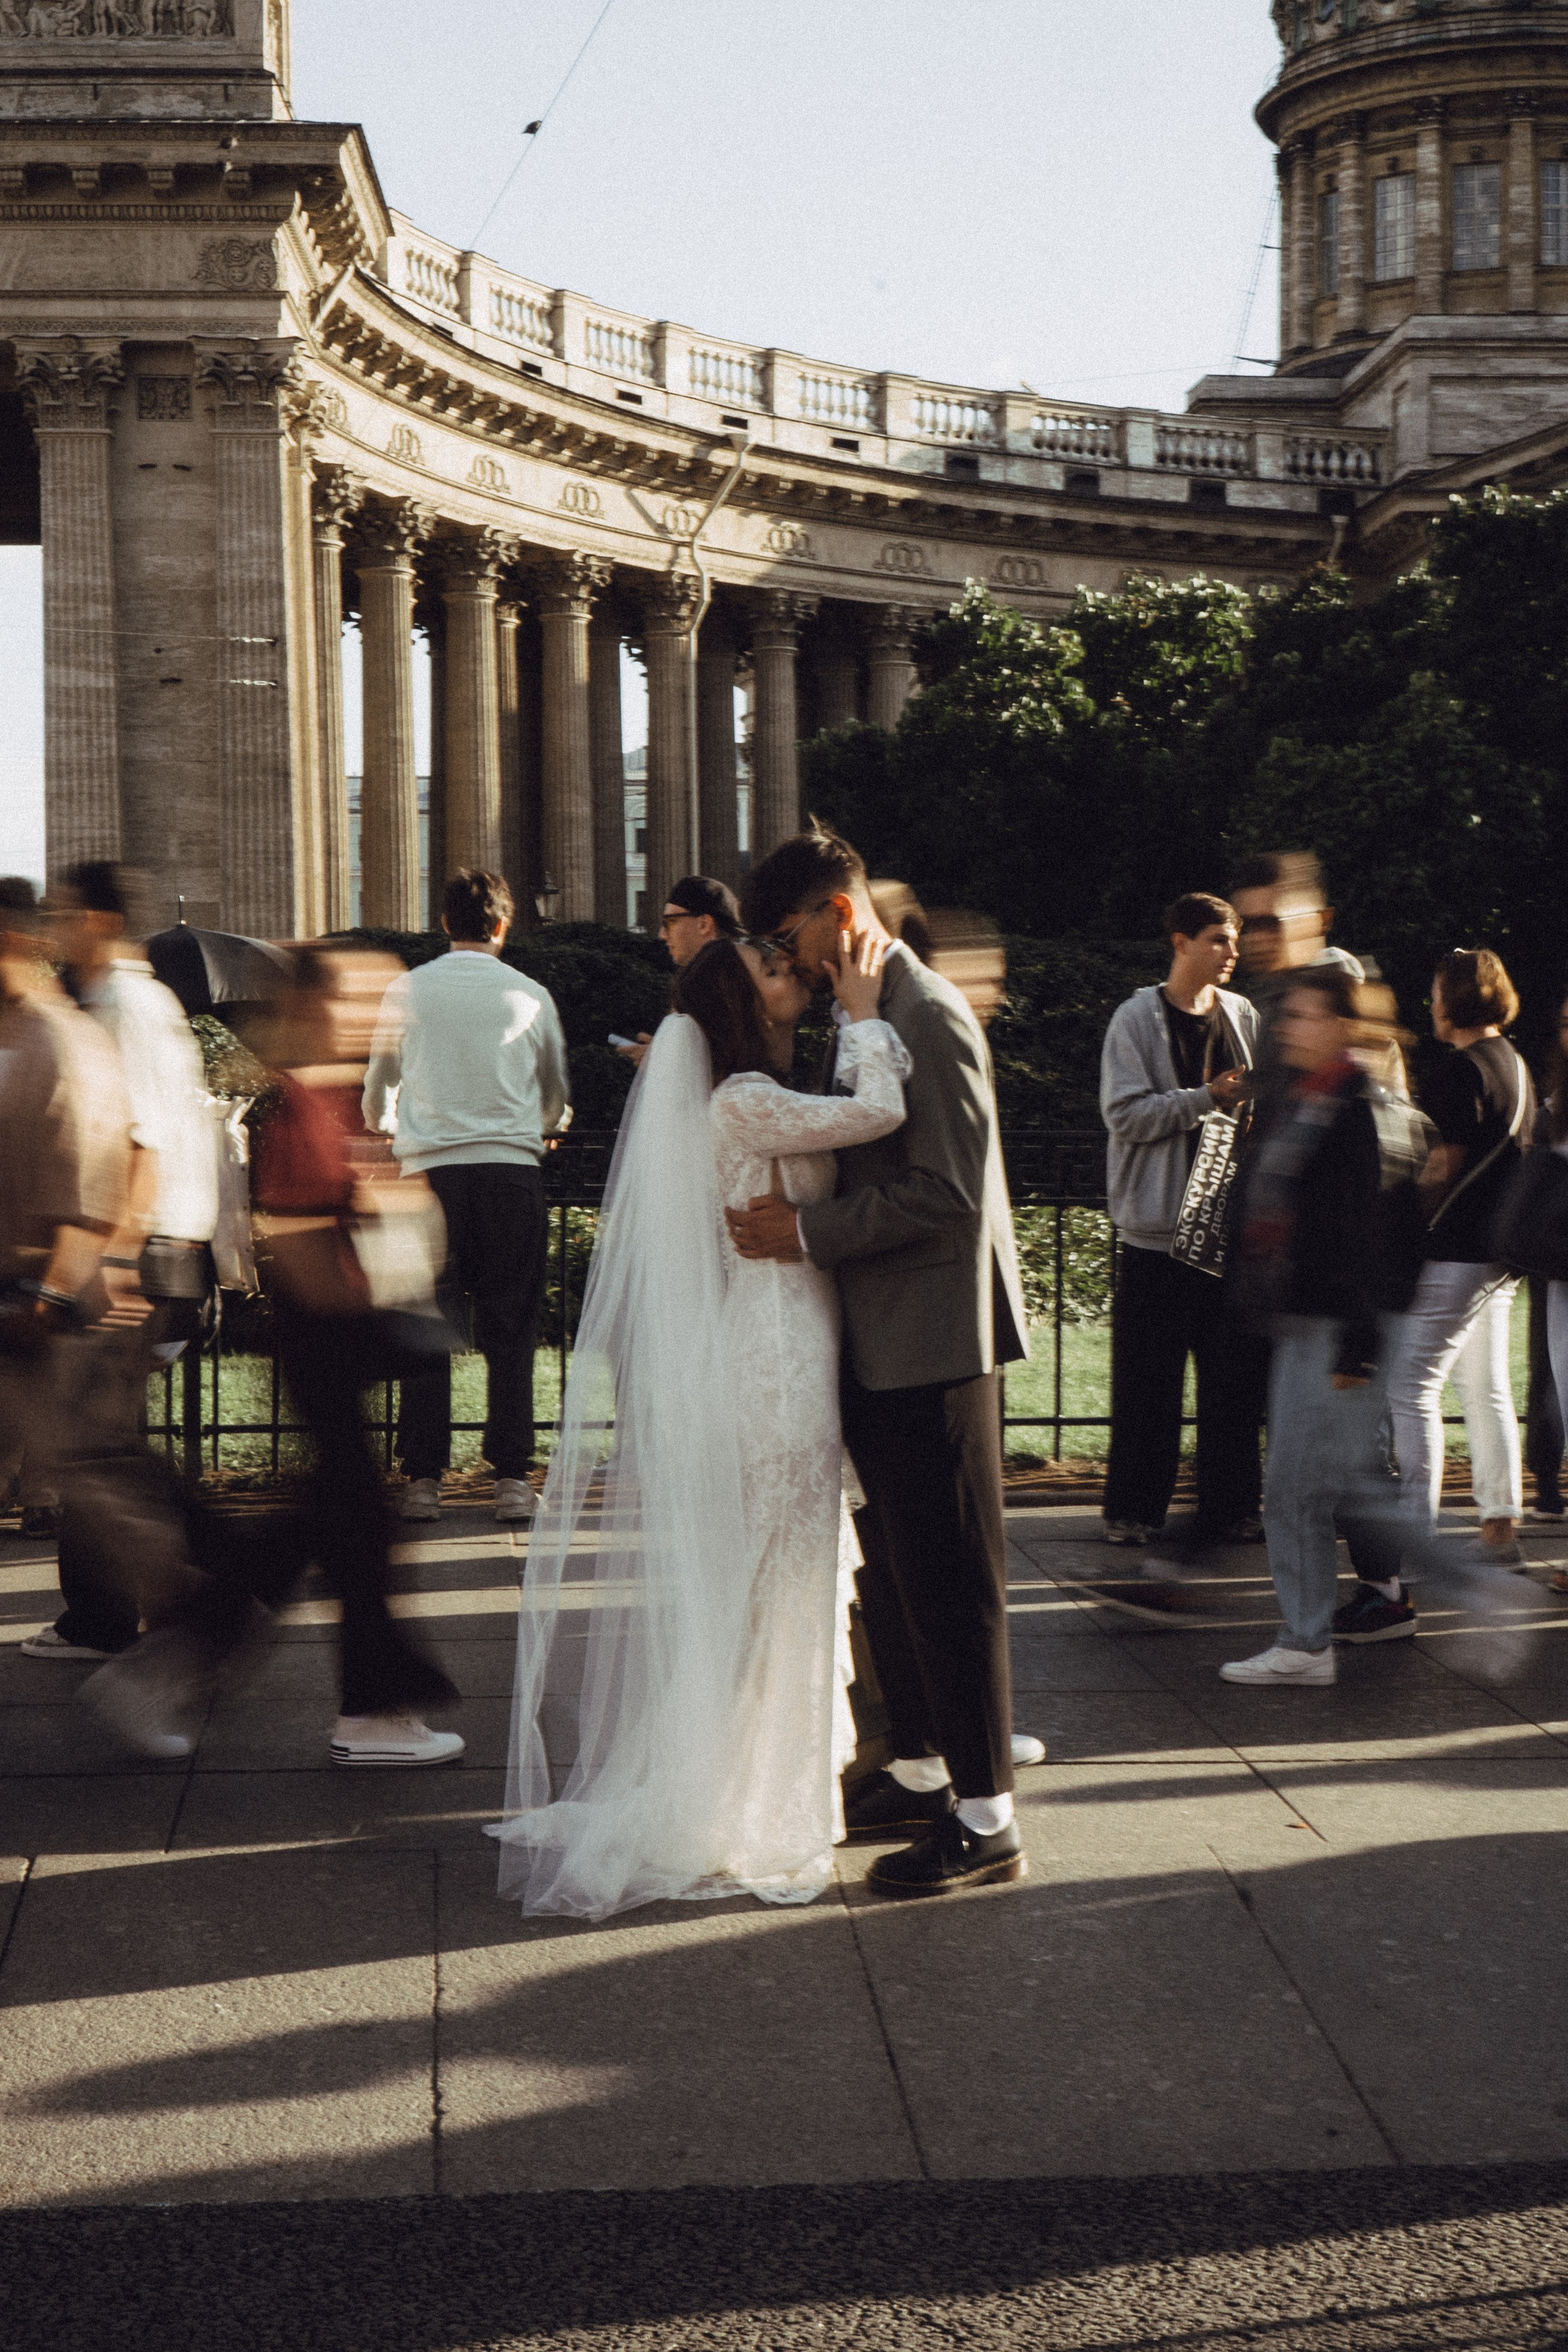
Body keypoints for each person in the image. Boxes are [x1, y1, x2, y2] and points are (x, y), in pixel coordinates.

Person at [492, 923, 910, 1917]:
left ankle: (744, 1787)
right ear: (736, 1001)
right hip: (773, 1359)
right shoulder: (742, 1101)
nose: (791, 976)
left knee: (778, 1583)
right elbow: (880, 1112)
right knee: (781, 1581)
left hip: (786, 1343)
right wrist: (865, 1019)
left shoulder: (746, 1096)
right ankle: (749, 1801)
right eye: (772, 970)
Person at [728, 827, 1030, 1898]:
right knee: (904, 1581)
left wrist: (804, 1237)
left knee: (954, 1585)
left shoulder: (927, 1013)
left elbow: (944, 1195)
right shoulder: (869, 1014)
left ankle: (988, 1819)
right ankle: (924, 1768)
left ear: (837, 916)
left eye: (784, 934)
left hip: (936, 1341)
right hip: (886, 1338)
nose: (784, 957)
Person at [254, 948, 465, 1766]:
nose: (385, 1009)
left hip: (339, 1342)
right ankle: (371, 1713)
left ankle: (195, 1638)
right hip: (326, 1342)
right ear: (314, 1005)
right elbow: (305, 1255)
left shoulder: (335, 1093)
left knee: (337, 1528)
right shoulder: (300, 1102)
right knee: (356, 1530)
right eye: (364, 995)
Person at [21, 861, 220, 1667]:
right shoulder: (116, 1001)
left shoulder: (127, 1008)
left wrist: (118, 1256)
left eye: (64, 914)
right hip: (148, 1243)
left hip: (141, 1245)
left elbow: (143, 1140)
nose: (52, 929)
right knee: (95, 1438)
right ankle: (145, 1597)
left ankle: (113, 1614)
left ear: (100, 921)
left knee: (92, 1440)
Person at [1219, 965, 1414, 1686]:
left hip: (1334, 1327)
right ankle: (1310, 1637)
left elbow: (1370, 1235)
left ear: (1340, 1024)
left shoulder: (1359, 1107)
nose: (1285, 1026)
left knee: (1300, 1489)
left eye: (1301, 1015)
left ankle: (1306, 1645)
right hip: (1303, 1320)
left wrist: (1358, 1345)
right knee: (1329, 1485)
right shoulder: (1310, 1097)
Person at [363, 870, 569, 1526]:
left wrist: (392, 1126)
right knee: (512, 1327)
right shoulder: (530, 993)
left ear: (445, 923)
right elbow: (555, 1095)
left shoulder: (408, 989)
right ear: (504, 925)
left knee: (428, 1326)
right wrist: (540, 1126)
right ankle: (510, 1477)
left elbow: (377, 1091)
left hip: (427, 1175)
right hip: (511, 1173)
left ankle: (424, 1478)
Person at [1097, 894, 1260, 1548]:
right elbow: (1125, 1115)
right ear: (1180, 942)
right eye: (1218, 940)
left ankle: (1232, 1509)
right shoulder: (1135, 1019)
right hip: (1156, 1234)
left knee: (1231, 1386)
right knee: (1148, 1386)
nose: (1231, 953)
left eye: (1234, 940)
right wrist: (1206, 1098)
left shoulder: (1242, 1015)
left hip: (1225, 1233)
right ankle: (1133, 1513)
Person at [1385, 948, 1534, 1569]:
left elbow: (1441, 1166)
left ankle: (1411, 1544)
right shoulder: (1515, 1064)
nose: (1430, 1004)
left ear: (1453, 1000)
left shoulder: (1457, 1070)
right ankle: (1499, 1529)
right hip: (1501, 1253)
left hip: (1454, 1250)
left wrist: (1403, 1221)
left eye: (1436, 992)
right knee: (1486, 1386)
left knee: (1409, 1386)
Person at [616, 875, 742, 1068]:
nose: (662, 934)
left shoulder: (718, 986)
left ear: (704, 925)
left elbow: (727, 1065)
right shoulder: (723, 979)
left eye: (670, 922)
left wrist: (664, 1059)